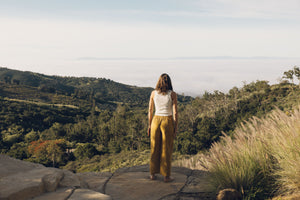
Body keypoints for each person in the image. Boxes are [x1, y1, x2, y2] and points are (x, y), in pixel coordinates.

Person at [148, 73, 178, 183]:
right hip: (167, 120)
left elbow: (150, 110)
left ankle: (152, 174)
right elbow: (175, 112)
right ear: (169, 82)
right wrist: (175, 127)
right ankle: (166, 176)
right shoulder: (172, 94)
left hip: (155, 120)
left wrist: (149, 125)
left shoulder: (153, 93)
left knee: (154, 146)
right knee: (166, 148)